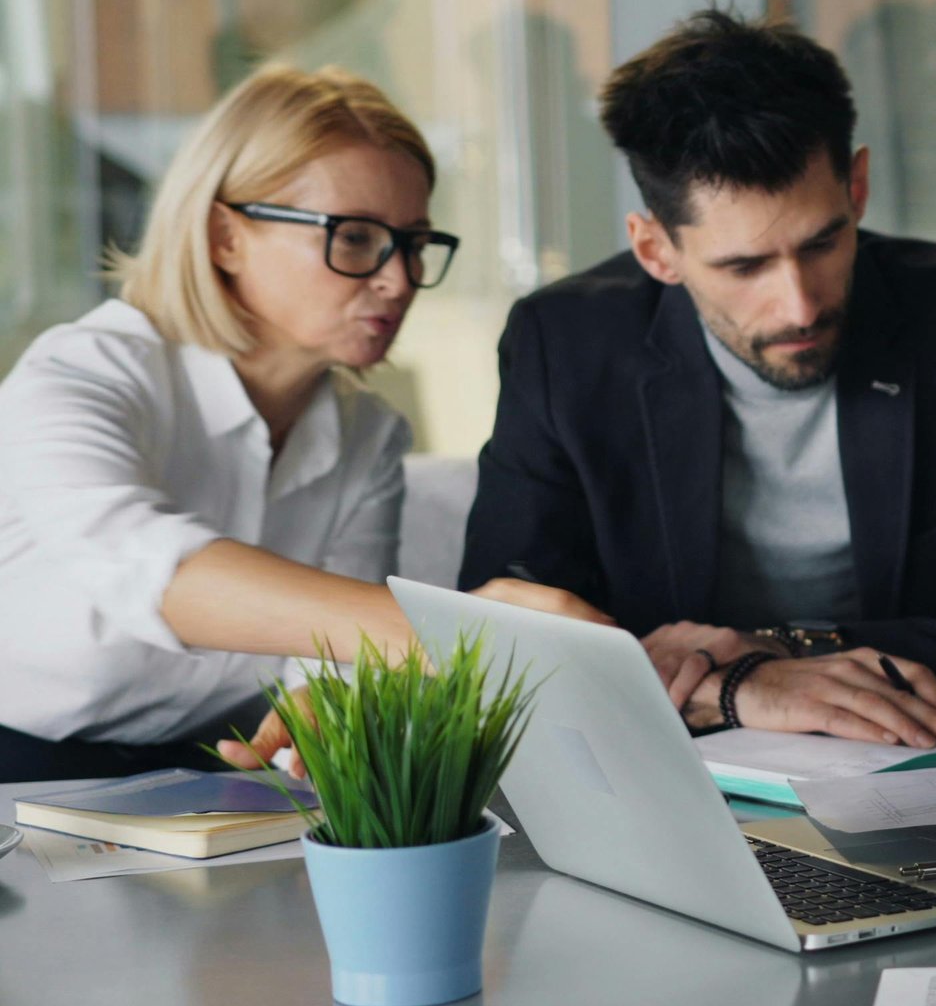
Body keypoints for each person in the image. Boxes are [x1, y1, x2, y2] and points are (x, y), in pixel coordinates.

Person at [458, 9, 936, 746]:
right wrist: (738, 693)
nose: (801, 303)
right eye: (744, 266)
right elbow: (499, 626)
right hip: (677, 748)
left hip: (914, 733)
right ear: (655, 249)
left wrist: (785, 653)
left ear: (858, 187)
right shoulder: (565, 345)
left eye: (822, 242)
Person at [0, 65, 592, 783]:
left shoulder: (368, 435)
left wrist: (326, 697)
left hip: (204, 767)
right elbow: (147, 569)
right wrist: (456, 634)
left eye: (413, 243)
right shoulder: (82, 373)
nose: (399, 279)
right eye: (355, 238)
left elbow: (331, 654)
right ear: (224, 236)